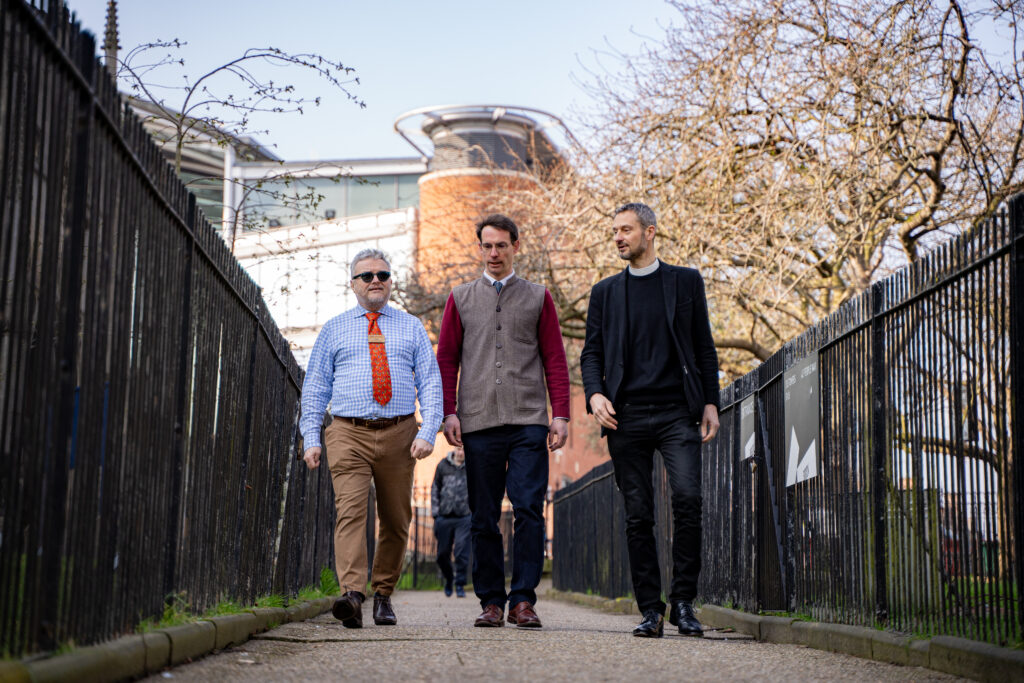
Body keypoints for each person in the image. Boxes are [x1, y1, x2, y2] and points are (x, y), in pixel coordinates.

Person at [580, 202, 720, 639]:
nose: (618, 237)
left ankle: (683, 602)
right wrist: (595, 394)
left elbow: (703, 346)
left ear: (650, 232)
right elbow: (592, 354)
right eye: (614, 231)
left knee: (688, 501)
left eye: (626, 229)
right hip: (626, 417)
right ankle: (650, 610)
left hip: (678, 412)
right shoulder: (605, 291)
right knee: (638, 516)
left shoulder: (685, 281)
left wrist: (711, 403)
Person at [436, 214, 570, 629]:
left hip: (529, 419)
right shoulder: (460, 297)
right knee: (483, 514)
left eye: (501, 246)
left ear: (515, 246)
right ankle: (492, 601)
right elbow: (446, 359)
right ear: (480, 248)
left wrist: (560, 414)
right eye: (487, 246)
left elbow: (554, 358)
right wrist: (448, 411)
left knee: (530, 509)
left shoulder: (537, 297)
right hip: (478, 422)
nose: (494, 253)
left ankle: (523, 600)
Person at [300, 248, 442, 629]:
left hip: (399, 433)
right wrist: (311, 436)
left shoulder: (411, 327)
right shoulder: (334, 329)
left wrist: (429, 430)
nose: (375, 280)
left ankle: (382, 594)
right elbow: (315, 387)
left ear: (391, 281)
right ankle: (352, 594)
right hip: (348, 431)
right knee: (350, 512)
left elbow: (430, 381)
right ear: (353, 284)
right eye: (366, 276)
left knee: (396, 519)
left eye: (382, 274)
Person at [431, 447, 471, 598]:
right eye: (459, 449)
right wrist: (436, 514)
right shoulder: (443, 465)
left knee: (461, 552)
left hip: (464, 516)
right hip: (444, 515)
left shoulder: (471, 466)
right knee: (442, 554)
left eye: (463, 449)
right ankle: (449, 579)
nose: (461, 452)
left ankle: (460, 584)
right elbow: (435, 488)